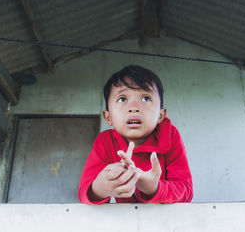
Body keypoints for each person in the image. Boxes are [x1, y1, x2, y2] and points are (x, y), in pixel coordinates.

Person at [78, 65, 193, 204]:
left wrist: (153, 188)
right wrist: (101, 188)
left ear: (160, 115)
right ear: (108, 117)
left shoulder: (170, 136)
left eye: (145, 98)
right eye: (122, 99)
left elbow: (186, 191)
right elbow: (85, 192)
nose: (133, 108)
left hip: (166, 222)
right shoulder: (105, 141)